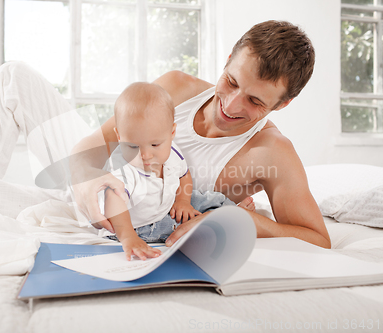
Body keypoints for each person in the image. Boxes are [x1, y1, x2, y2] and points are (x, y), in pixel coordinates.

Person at [71, 20, 331, 249]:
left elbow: (317, 239)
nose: (230, 106)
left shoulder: (272, 152)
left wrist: (241, 221)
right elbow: (89, 150)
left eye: (254, 100)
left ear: (282, 104)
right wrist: (84, 180)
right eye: (231, 81)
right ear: (229, 59)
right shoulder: (175, 89)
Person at [97, 82, 254, 260]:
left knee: (205, 198)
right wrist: (128, 236)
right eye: (133, 146)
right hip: (135, 224)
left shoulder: (172, 150)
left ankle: (232, 211)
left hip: (166, 201)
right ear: (119, 136)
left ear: (172, 133)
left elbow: (183, 175)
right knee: (179, 225)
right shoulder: (120, 168)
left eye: (155, 144)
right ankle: (217, 226)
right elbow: (113, 201)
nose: (146, 155)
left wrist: (182, 200)